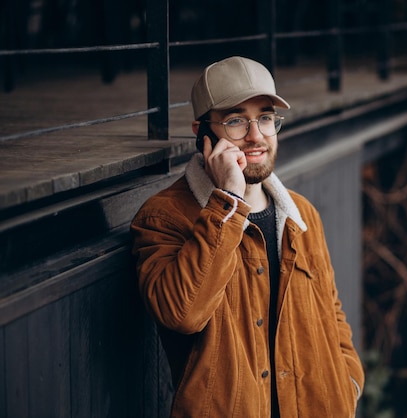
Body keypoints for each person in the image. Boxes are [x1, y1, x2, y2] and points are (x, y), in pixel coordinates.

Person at [130, 56, 364, 417]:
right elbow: (182, 314)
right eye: (236, 121)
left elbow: (332, 314)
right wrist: (229, 201)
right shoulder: (164, 217)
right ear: (202, 133)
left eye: (266, 118)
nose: (256, 136)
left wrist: (348, 384)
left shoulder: (301, 216)